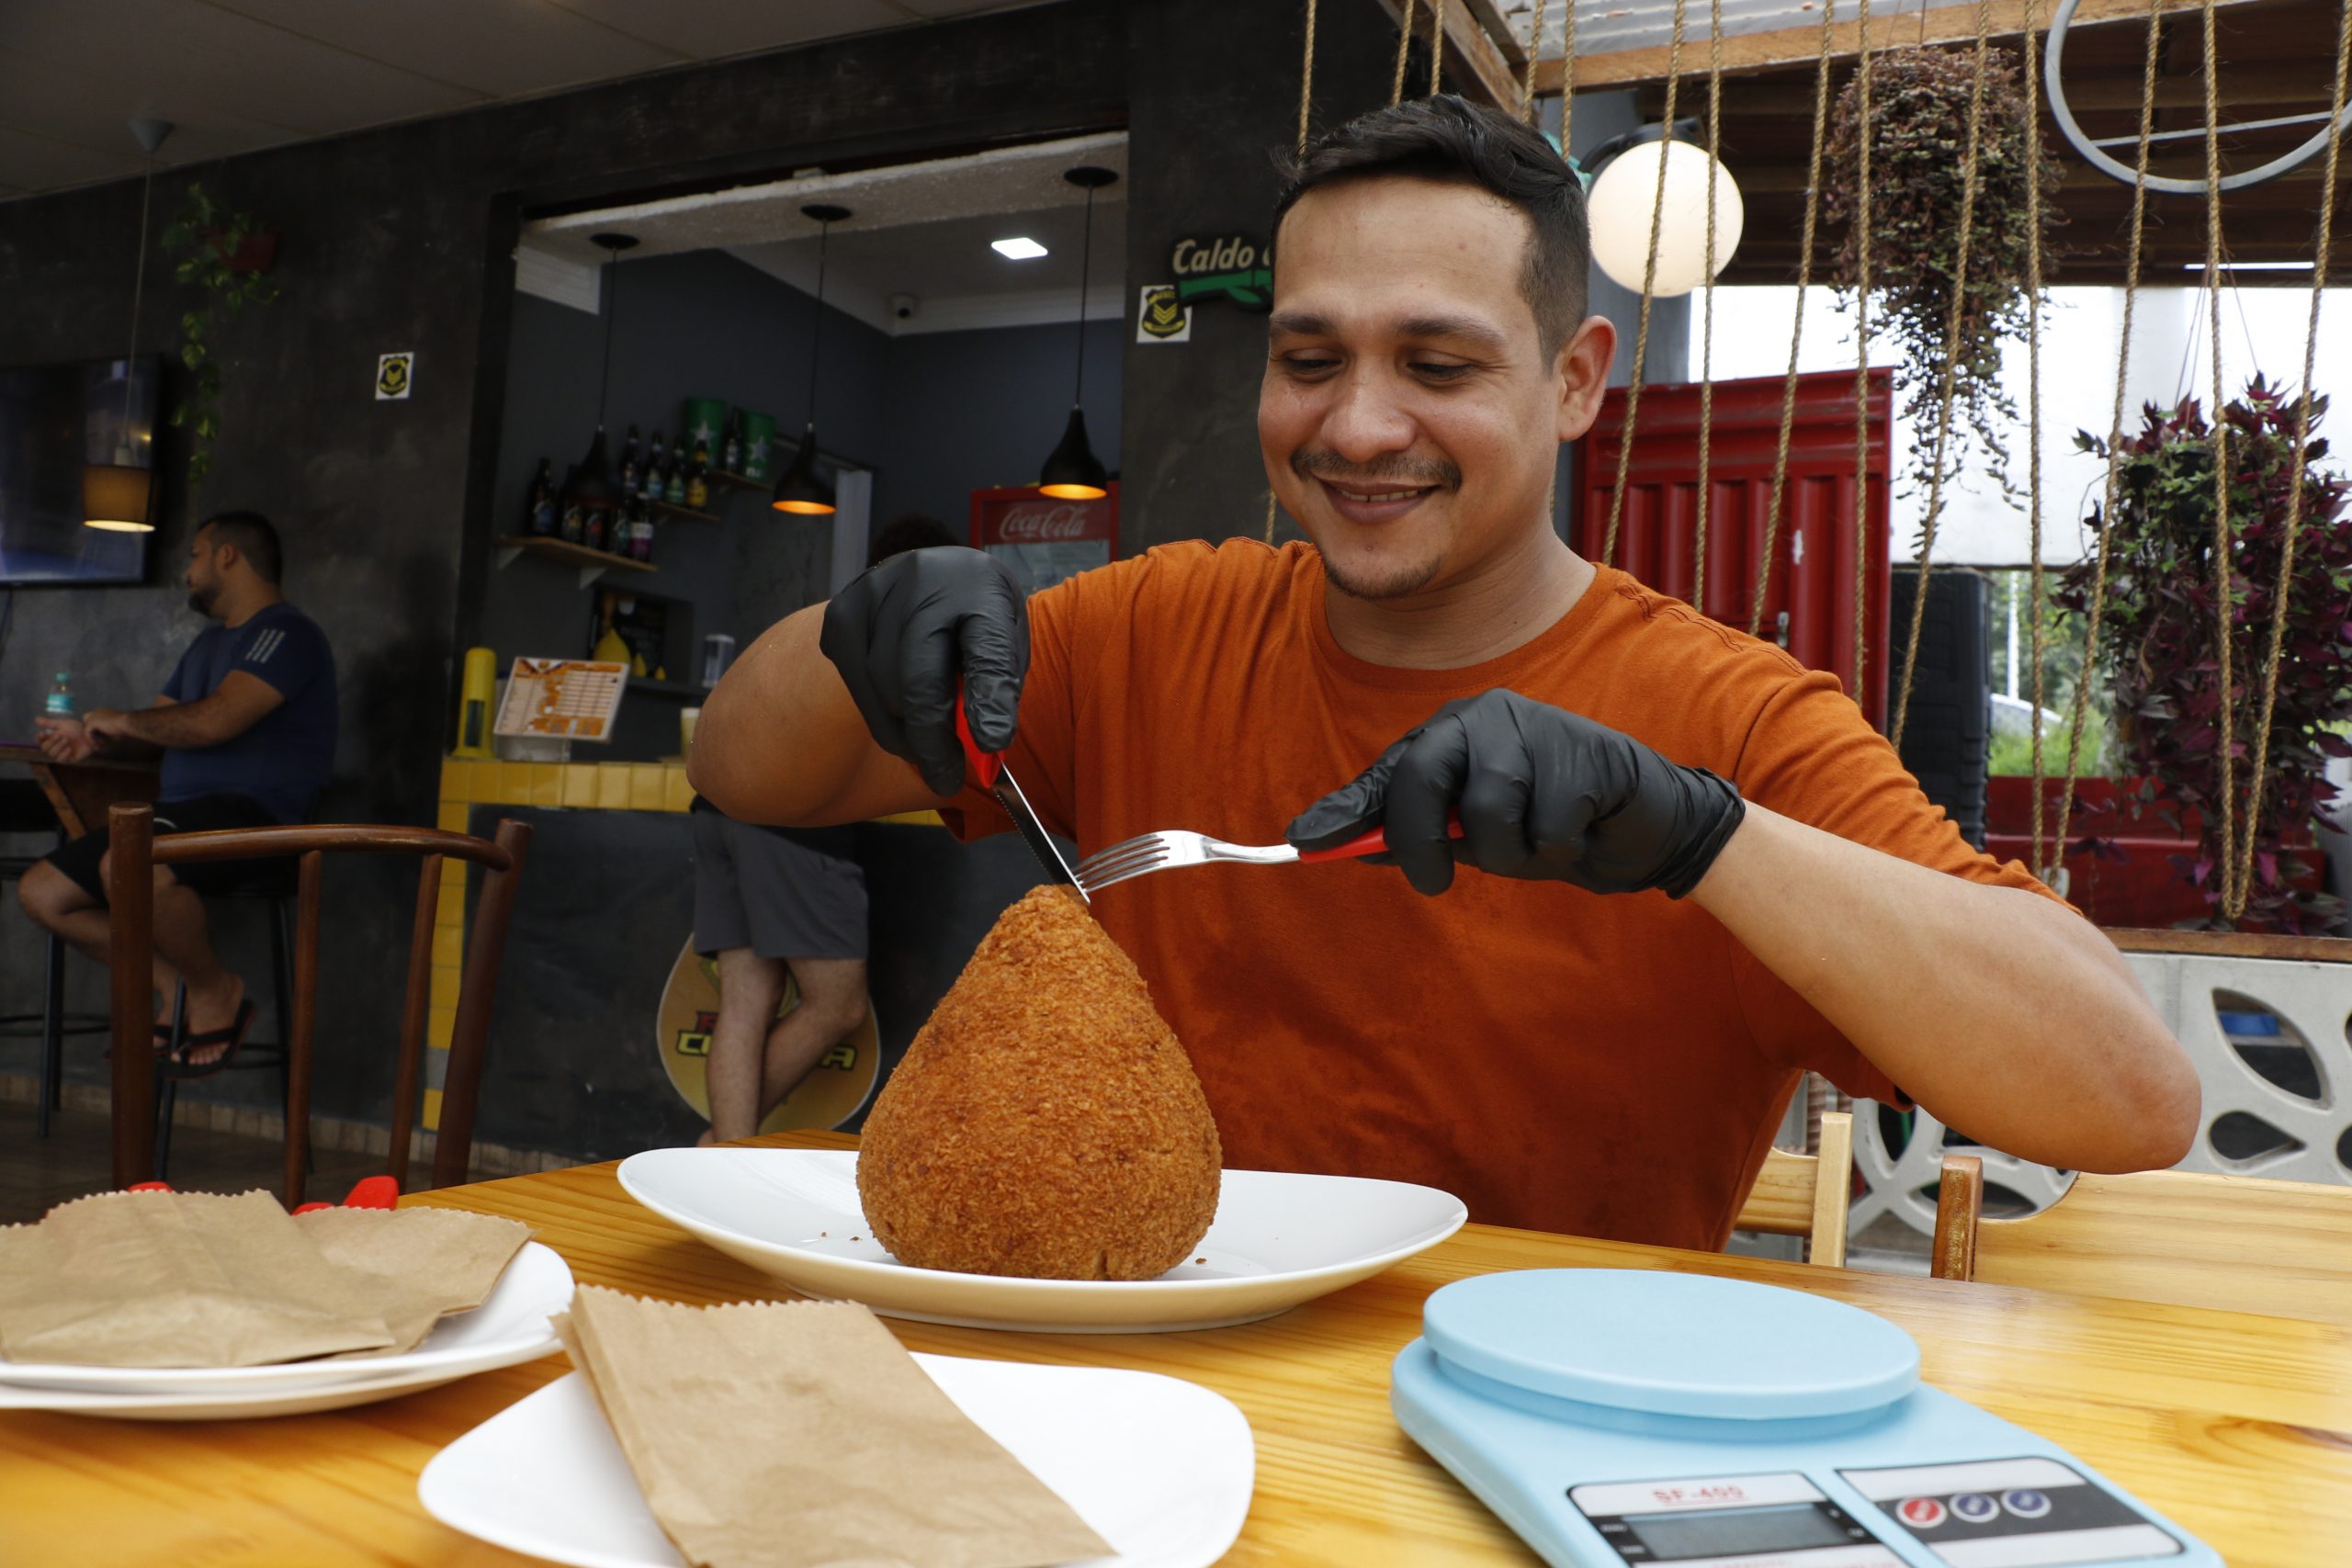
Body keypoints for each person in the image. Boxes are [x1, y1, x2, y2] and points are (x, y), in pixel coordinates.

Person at [688, 98, 2199, 1248]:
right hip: (1152, 1388)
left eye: (1438, 362)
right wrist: (856, 628)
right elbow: (749, 769)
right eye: (1309, 356)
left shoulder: (1731, 718)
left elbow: (2130, 1097)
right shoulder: (1155, 625)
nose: (1355, 427)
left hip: (1546, 1428)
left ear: (1578, 380)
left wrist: (1705, 835)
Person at [20, 511, 337, 1074]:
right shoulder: (206, 646)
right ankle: (180, 988)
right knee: (42, 893)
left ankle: (217, 990)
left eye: (194, 555)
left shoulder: (287, 634)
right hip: (182, 813)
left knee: (131, 864)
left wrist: (118, 719)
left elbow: (214, 721)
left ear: (227, 556)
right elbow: (161, 730)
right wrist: (97, 740)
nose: (186, 570)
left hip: (258, 817)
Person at [689, 513, 960, 1144]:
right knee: (835, 1005)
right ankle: (721, 1147)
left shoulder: (825, 619)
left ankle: (719, 1161)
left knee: (745, 1002)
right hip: (791, 825)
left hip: (718, 809)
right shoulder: (906, 631)